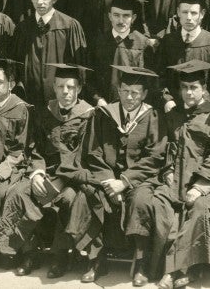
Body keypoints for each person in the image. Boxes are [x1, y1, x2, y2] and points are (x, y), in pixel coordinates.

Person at [52, 66, 161, 283]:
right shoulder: (104, 115)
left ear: (144, 94)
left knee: (141, 201)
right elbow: (93, 151)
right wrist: (109, 180)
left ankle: (141, 264)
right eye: (125, 91)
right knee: (89, 196)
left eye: (135, 93)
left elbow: (155, 157)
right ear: (118, 90)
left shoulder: (152, 117)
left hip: (139, 179)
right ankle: (97, 260)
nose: (129, 97)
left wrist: (125, 182)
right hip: (106, 175)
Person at [0, 64, 95, 277]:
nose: (65, 92)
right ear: (53, 87)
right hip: (46, 173)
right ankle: (28, 253)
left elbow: (85, 156)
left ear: (79, 89)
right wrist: (37, 173)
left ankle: (60, 257)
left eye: (70, 87)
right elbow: (34, 148)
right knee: (19, 192)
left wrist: (61, 180)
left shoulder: (89, 115)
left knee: (68, 200)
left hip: (72, 178)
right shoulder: (45, 112)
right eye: (60, 86)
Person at [139, 60, 210, 288]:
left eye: (194, 88)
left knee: (198, 210)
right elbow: (163, 148)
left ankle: (178, 271)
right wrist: (167, 171)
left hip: (201, 183)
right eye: (185, 88)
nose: (189, 93)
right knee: (160, 207)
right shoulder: (173, 115)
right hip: (173, 180)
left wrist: (199, 187)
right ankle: (159, 267)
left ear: (204, 89)